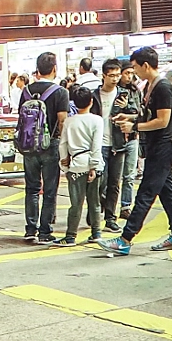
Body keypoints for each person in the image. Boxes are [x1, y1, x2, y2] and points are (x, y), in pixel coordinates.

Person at [108, 46, 172, 255]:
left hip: (163, 146)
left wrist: (134, 127)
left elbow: (162, 121)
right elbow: (148, 115)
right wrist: (130, 118)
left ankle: (126, 239)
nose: (133, 72)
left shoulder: (163, 87)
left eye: (134, 67)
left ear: (145, 65)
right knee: (167, 191)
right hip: (155, 145)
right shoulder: (149, 86)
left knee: (146, 192)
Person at [18, 53, 69, 245]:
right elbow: (62, 120)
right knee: (49, 190)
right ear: (54, 69)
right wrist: (65, 148)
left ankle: (30, 228)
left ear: (37, 69)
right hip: (51, 145)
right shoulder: (60, 92)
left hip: (29, 145)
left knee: (31, 188)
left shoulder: (26, 91)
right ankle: (45, 231)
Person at [99, 58, 141, 234]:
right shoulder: (95, 95)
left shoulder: (124, 94)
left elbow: (138, 112)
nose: (115, 79)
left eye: (117, 75)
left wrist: (127, 106)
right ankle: (96, 210)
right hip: (99, 145)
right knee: (100, 183)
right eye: (111, 76)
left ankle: (110, 218)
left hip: (118, 144)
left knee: (115, 183)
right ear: (103, 76)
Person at [61, 85, 105, 244]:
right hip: (93, 165)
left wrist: (65, 167)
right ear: (91, 101)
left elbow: (63, 145)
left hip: (76, 166)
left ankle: (70, 235)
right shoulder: (97, 120)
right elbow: (96, 145)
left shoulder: (69, 121)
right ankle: (96, 233)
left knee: (76, 203)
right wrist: (94, 166)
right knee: (94, 202)